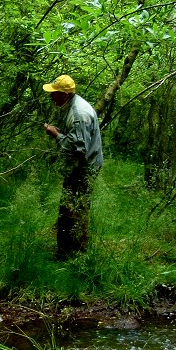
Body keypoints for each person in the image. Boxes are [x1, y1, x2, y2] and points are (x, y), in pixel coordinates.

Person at [43, 74, 103, 259]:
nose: (51, 97)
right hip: (81, 166)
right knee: (71, 208)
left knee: (75, 209)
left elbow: (79, 148)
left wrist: (56, 135)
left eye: (54, 93)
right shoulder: (72, 106)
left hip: (84, 168)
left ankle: (73, 254)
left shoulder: (79, 114)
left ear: (64, 94)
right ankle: (69, 251)